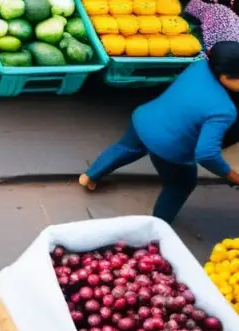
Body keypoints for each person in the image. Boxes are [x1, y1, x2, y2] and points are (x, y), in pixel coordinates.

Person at [80, 41, 239, 223]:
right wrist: (232, 175)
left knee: (125, 148)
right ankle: (158, 225)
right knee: (180, 186)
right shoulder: (223, 110)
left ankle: (89, 176)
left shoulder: (199, 66)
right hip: (169, 149)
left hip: (144, 119)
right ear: (225, 76)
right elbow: (206, 154)